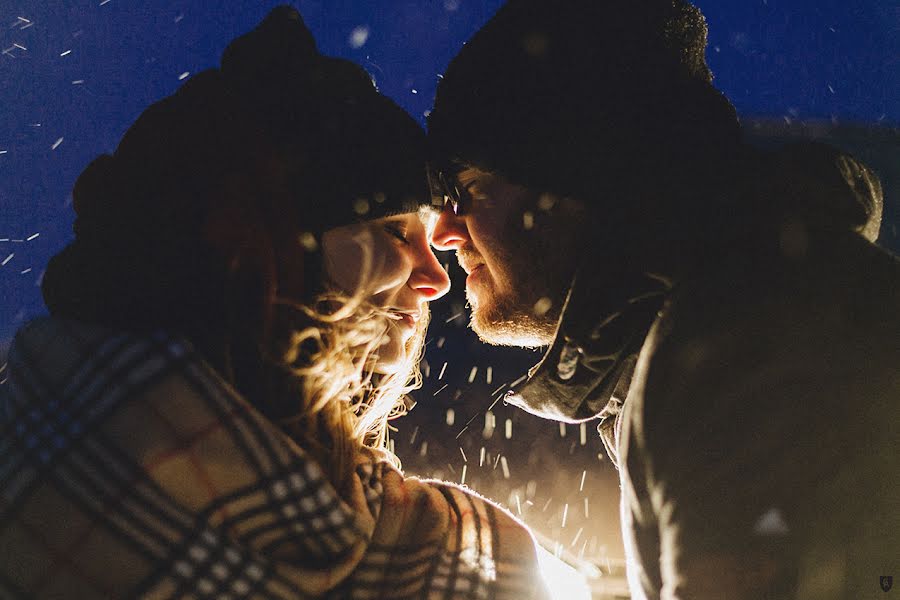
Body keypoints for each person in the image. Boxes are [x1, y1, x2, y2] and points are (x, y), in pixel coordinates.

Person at [0, 7, 552, 599]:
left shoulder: (40, 462)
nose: (436, 279)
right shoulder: (427, 558)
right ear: (273, 252)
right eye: (397, 233)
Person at [427, 0, 899, 598]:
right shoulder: (735, 317)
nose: (444, 233)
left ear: (581, 182)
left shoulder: (746, 346)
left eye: (468, 188)